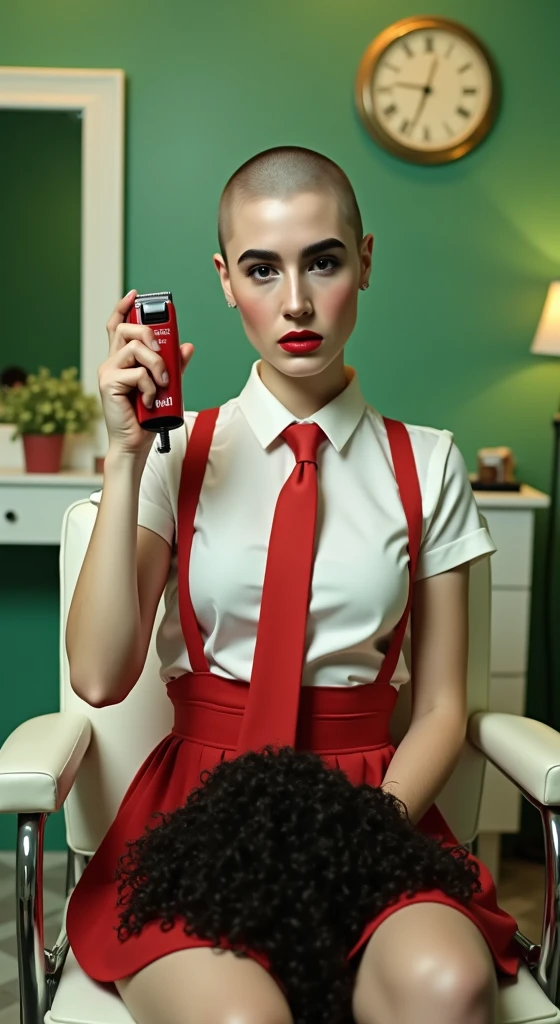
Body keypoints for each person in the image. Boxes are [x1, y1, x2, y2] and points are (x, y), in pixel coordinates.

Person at [65, 145, 521, 1024]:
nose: (298, 302)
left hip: (370, 806)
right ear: (226, 281)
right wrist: (126, 455)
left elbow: (437, 709)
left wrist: (355, 834)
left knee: (449, 986)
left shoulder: (428, 463)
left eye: (324, 261)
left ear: (366, 261)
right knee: (247, 1020)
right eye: (262, 269)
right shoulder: (176, 451)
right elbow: (97, 676)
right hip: (199, 808)